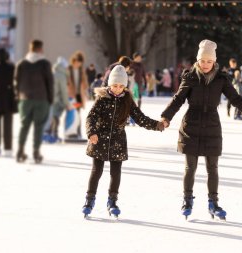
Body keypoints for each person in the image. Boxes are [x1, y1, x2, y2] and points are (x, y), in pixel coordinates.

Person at [160, 39, 242, 220]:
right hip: (191, 126)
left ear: (214, 61)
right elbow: (178, 99)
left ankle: (213, 203)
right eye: (202, 61)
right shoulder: (190, 77)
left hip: (211, 126)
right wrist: (166, 117)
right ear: (198, 60)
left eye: (209, 61)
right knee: (190, 168)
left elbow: (236, 99)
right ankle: (187, 200)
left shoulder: (221, 79)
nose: (206, 65)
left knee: (213, 168)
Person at [81, 65, 165, 218]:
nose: (118, 89)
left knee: (115, 172)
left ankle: (112, 201)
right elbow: (91, 117)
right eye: (115, 85)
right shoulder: (102, 98)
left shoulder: (127, 101)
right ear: (109, 84)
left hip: (117, 141)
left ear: (125, 86)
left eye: (121, 86)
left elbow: (140, 118)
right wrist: (91, 132)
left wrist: (156, 125)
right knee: (96, 171)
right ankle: (89, 200)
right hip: (99, 139)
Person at [15, 40, 54, 163]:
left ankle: (20, 151)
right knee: (39, 126)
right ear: (39, 49)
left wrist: (19, 97)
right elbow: (50, 83)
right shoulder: (45, 64)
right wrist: (50, 99)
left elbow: (16, 82)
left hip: (25, 99)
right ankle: (36, 152)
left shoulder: (21, 64)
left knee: (24, 125)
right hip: (41, 99)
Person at [44, 56, 69, 143]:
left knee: (51, 117)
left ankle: (50, 134)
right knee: (55, 118)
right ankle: (53, 135)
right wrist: (67, 103)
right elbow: (63, 91)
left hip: (49, 98)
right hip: (56, 100)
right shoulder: (61, 75)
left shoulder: (53, 72)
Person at [67, 51, 88, 139]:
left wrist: (84, 87)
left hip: (78, 96)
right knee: (70, 113)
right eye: (77, 63)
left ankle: (78, 132)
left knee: (78, 114)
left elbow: (85, 83)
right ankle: (70, 132)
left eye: (80, 63)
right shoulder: (68, 69)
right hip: (71, 96)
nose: (78, 65)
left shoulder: (81, 71)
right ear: (74, 61)